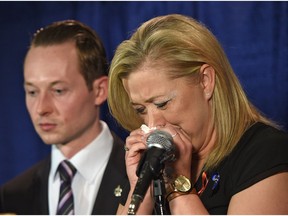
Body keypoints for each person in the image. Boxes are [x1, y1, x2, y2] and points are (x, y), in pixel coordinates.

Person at [107, 14, 288, 214]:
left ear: (205, 81)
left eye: (162, 103)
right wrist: (140, 188)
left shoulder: (265, 152)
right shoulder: (153, 159)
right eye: (141, 110)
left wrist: (179, 187)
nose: (153, 124)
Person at [0, 20, 128, 215]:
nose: (41, 108)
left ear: (100, 90)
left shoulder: (146, 180)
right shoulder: (11, 197)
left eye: (58, 90)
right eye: (32, 92)